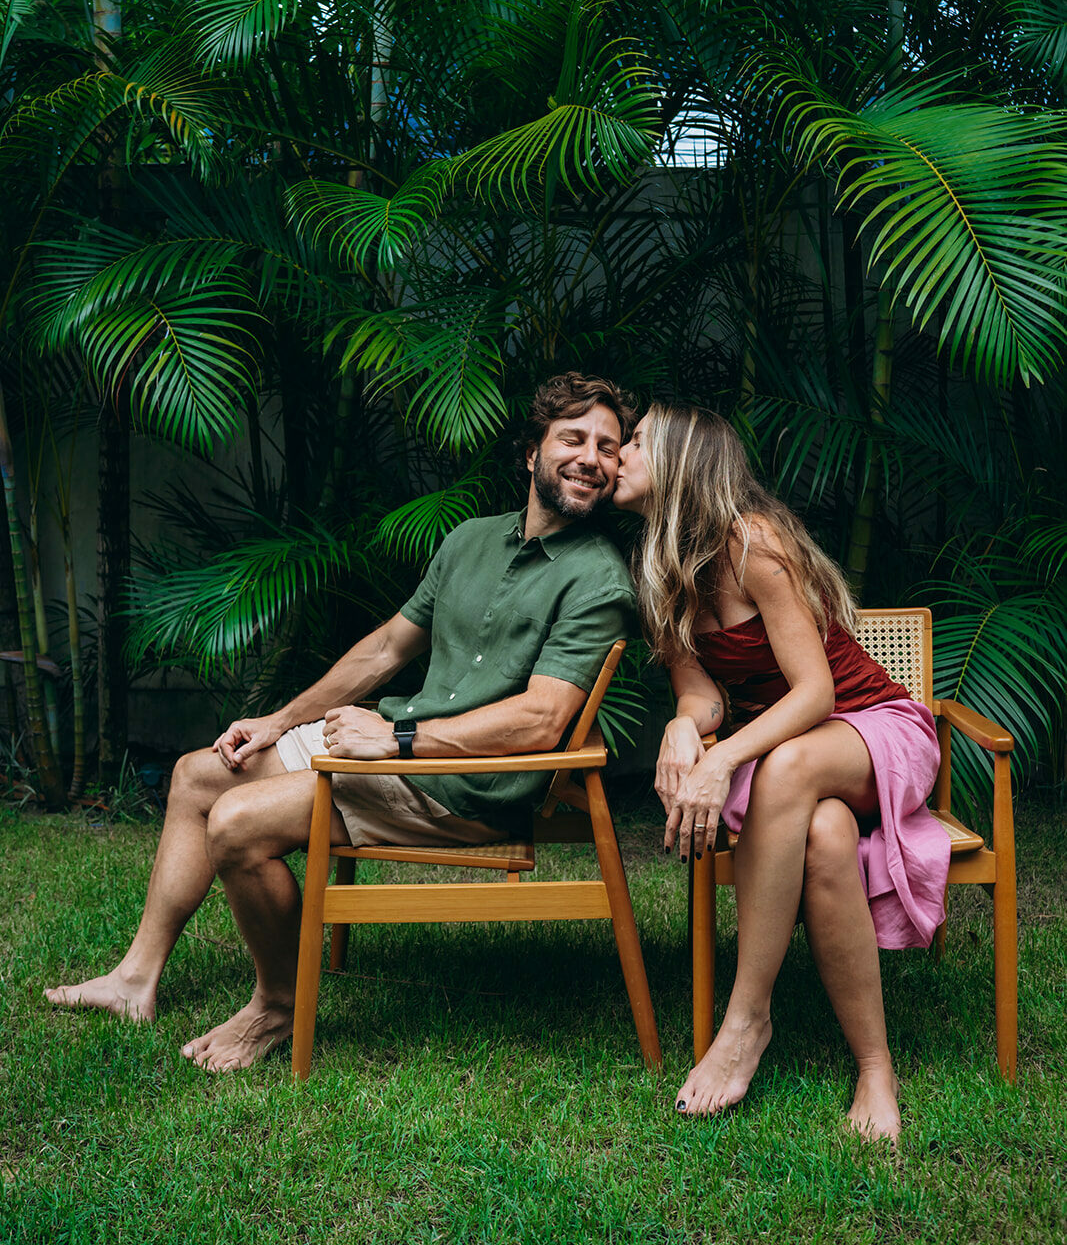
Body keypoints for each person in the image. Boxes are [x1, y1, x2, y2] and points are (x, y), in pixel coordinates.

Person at [46, 372, 637, 1071]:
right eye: (572, 438)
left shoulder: (598, 579)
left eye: (608, 447)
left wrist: (397, 739)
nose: (590, 458)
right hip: (401, 751)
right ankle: (133, 979)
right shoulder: (470, 540)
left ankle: (275, 1006)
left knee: (236, 823)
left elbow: (541, 719)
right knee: (197, 775)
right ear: (532, 452)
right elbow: (387, 648)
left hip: (463, 785)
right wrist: (279, 719)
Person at [613, 404, 950, 1141]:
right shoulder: (659, 573)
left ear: (679, 459)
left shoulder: (752, 543)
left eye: (635, 441)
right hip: (789, 762)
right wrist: (682, 725)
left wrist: (722, 756)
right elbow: (701, 695)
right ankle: (875, 1067)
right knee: (824, 835)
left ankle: (746, 1020)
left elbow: (815, 693)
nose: (619, 454)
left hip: (874, 731)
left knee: (790, 767)